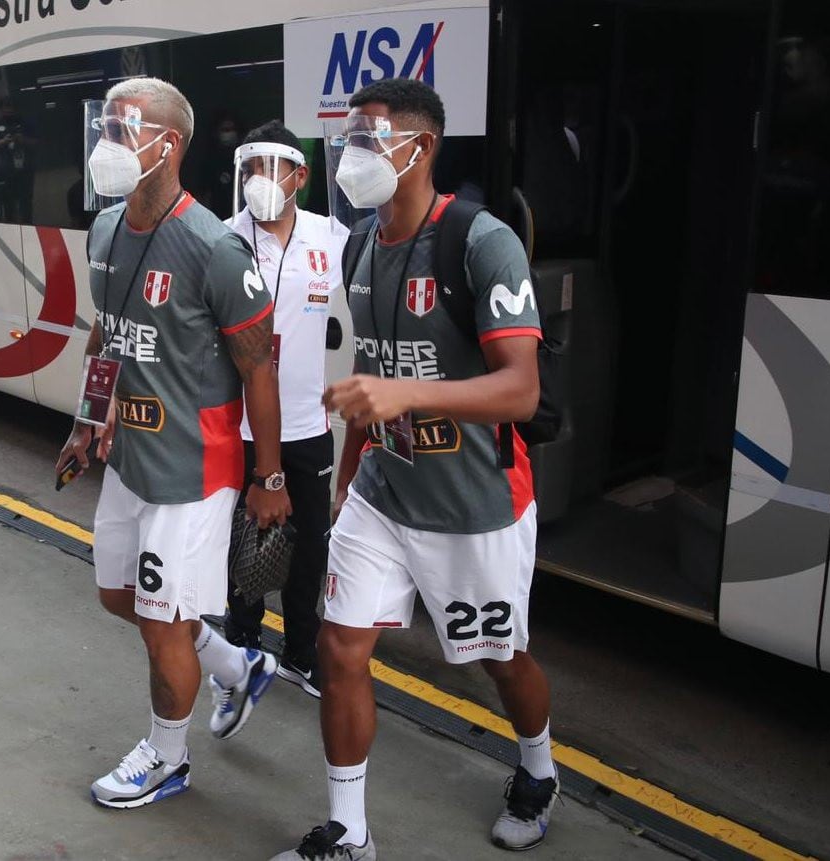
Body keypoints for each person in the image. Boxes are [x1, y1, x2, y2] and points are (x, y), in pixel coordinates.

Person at [273, 79, 554, 860]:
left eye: (365, 141)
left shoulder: (478, 239)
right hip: (382, 492)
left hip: (475, 502)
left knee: (498, 661)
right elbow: (375, 372)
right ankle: (348, 832)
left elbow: (520, 390)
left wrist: (402, 391)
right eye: (345, 141)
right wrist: (349, 468)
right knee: (338, 647)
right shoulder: (360, 243)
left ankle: (538, 767)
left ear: (419, 147)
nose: (347, 157)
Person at [55, 77, 292, 810]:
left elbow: (258, 366)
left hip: (195, 468)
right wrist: (88, 418)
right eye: (106, 126)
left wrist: (270, 479)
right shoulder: (102, 230)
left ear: (170, 145)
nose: (109, 143)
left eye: (125, 129)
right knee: (116, 595)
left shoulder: (213, 246)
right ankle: (234, 661)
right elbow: (108, 332)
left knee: (161, 625)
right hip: (130, 460)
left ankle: (166, 757)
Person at [223, 120, 349, 698]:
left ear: (300, 174)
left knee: (310, 547)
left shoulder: (332, 237)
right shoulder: (223, 239)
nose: (260, 180)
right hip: (240, 426)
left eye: (273, 168)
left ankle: (301, 652)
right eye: (251, 169)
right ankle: (242, 648)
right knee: (245, 542)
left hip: (307, 426)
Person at [0, 97, 38, 222]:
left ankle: (28, 224)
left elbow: (37, 143)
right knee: (8, 202)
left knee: (26, 201)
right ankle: (10, 225)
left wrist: (23, 140)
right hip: (5, 170)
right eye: (5, 108)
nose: (9, 111)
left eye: (11, 108)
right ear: (1, 110)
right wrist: (3, 142)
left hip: (25, 170)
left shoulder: (26, 123)